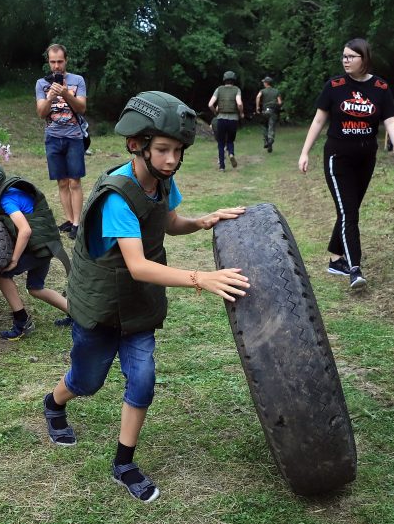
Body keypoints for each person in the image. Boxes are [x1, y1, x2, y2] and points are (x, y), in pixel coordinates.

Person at [41, 91, 250, 503]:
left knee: (143, 379)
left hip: (136, 307)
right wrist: (200, 278)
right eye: (163, 150)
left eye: (177, 151)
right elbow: (137, 265)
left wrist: (203, 221)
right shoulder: (117, 196)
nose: (172, 159)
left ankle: (124, 463)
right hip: (100, 307)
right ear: (137, 145)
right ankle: (54, 403)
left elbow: (168, 221)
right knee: (87, 381)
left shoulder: (162, 180)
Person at [297, 38, 394, 290]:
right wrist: (305, 152)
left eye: (351, 57)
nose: (346, 61)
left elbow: (390, 121)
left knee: (350, 209)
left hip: (366, 158)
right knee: (349, 213)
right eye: (344, 57)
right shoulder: (334, 86)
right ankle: (354, 268)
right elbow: (318, 121)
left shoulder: (380, 87)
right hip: (338, 158)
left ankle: (336, 258)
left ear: (364, 59)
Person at [0, 155, 72, 340]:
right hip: (47, 246)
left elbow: (25, 230)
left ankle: (22, 321)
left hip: (38, 248)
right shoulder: (9, 191)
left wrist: (15, 259)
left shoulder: (7, 200)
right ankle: (77, 314)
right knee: (36, 288)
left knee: (1, 273)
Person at [35, 44, 87, 240]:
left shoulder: (77, 80)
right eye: (52, 62)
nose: (56, 66)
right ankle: (68, 219)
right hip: (53, 138)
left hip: (74, 137)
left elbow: (81, 108)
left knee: (74, 181)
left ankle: (77, 222)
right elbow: (41, 113)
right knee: (62, 182)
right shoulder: (41, 83)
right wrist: (50, 97)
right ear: (48, 62)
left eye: (60, 61)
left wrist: (65, 93)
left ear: (66, 61)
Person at [208, 71, 244, 170]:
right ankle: (231, 154)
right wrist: (241, 113)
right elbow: (239, 103)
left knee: (220, 142)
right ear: (233, 80)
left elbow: (210, 104)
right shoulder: (236, 89)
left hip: (221, 119)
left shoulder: (219, 89)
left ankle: (222, 166)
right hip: (233, 119)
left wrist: (216, 113)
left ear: (224, 79)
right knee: (230, 141)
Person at [256, 76, 283, 152]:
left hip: (265, 111)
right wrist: (276, 105)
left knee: (264, 125)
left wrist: (257, 107)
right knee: (271, 126)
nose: (263, 83)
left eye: (264, 82)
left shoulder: (262, 91)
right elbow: (280, 102)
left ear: (266, 83)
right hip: (273, 111)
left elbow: (258, 97)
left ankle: (266, 141)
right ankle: (270, 139)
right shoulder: (276, 91)